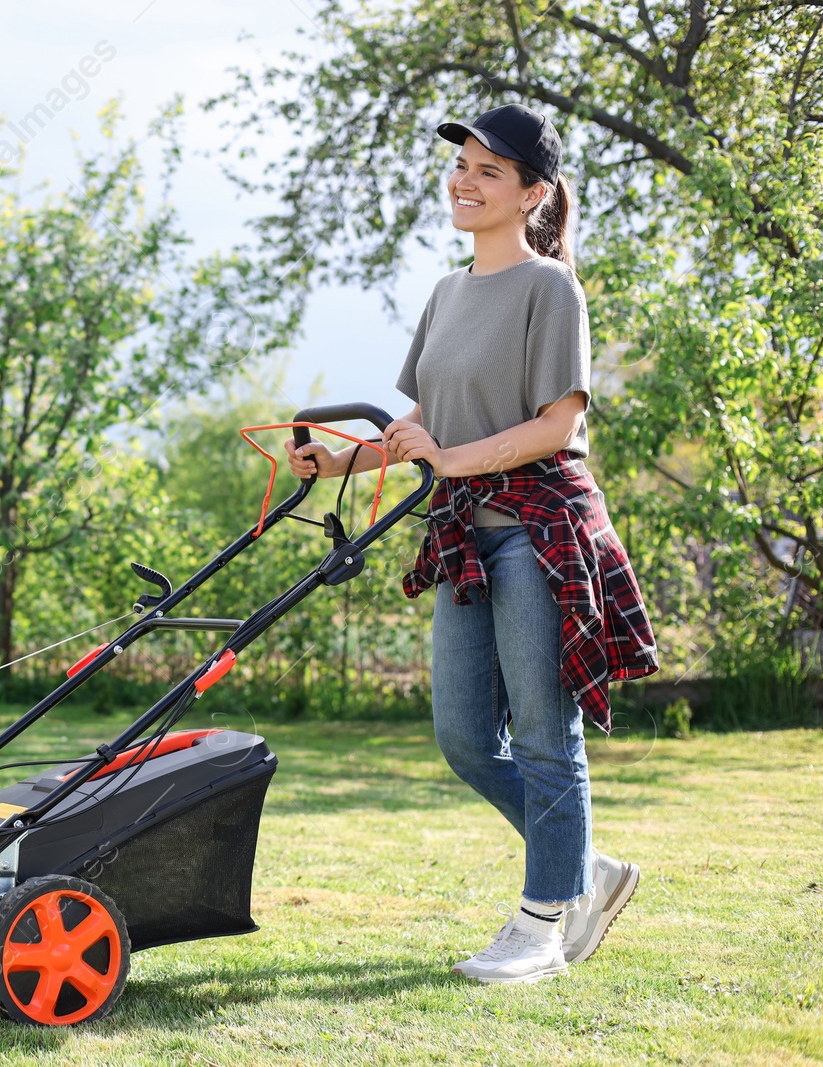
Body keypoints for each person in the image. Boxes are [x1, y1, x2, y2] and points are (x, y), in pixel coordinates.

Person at [287, 104, 659, 983]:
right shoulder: (448, 292)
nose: (466, 180)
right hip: (465, 536)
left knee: (542, 731)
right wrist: (335, 458)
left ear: (533, 193)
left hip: (538, 529)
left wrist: (448, 459)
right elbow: (421, 426)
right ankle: (583, 871)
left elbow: (556, 425)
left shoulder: (550, 289)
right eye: (463, 164)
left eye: (491, 171)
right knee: (462, 736)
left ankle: (541, 926)